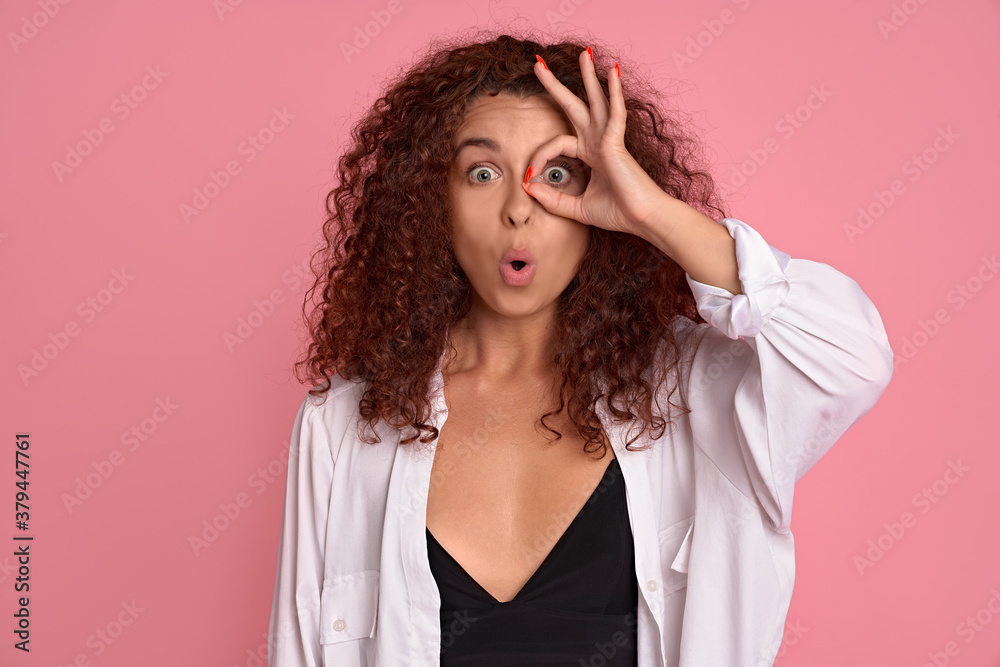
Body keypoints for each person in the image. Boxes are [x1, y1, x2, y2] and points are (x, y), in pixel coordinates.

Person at [267, 31, 893, 667]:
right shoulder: (344, 425)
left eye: (556, 173)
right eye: (482, 173)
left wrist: (650, 210)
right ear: (434, 203)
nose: (519, 208)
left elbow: (849, 356)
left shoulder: (695, 394)